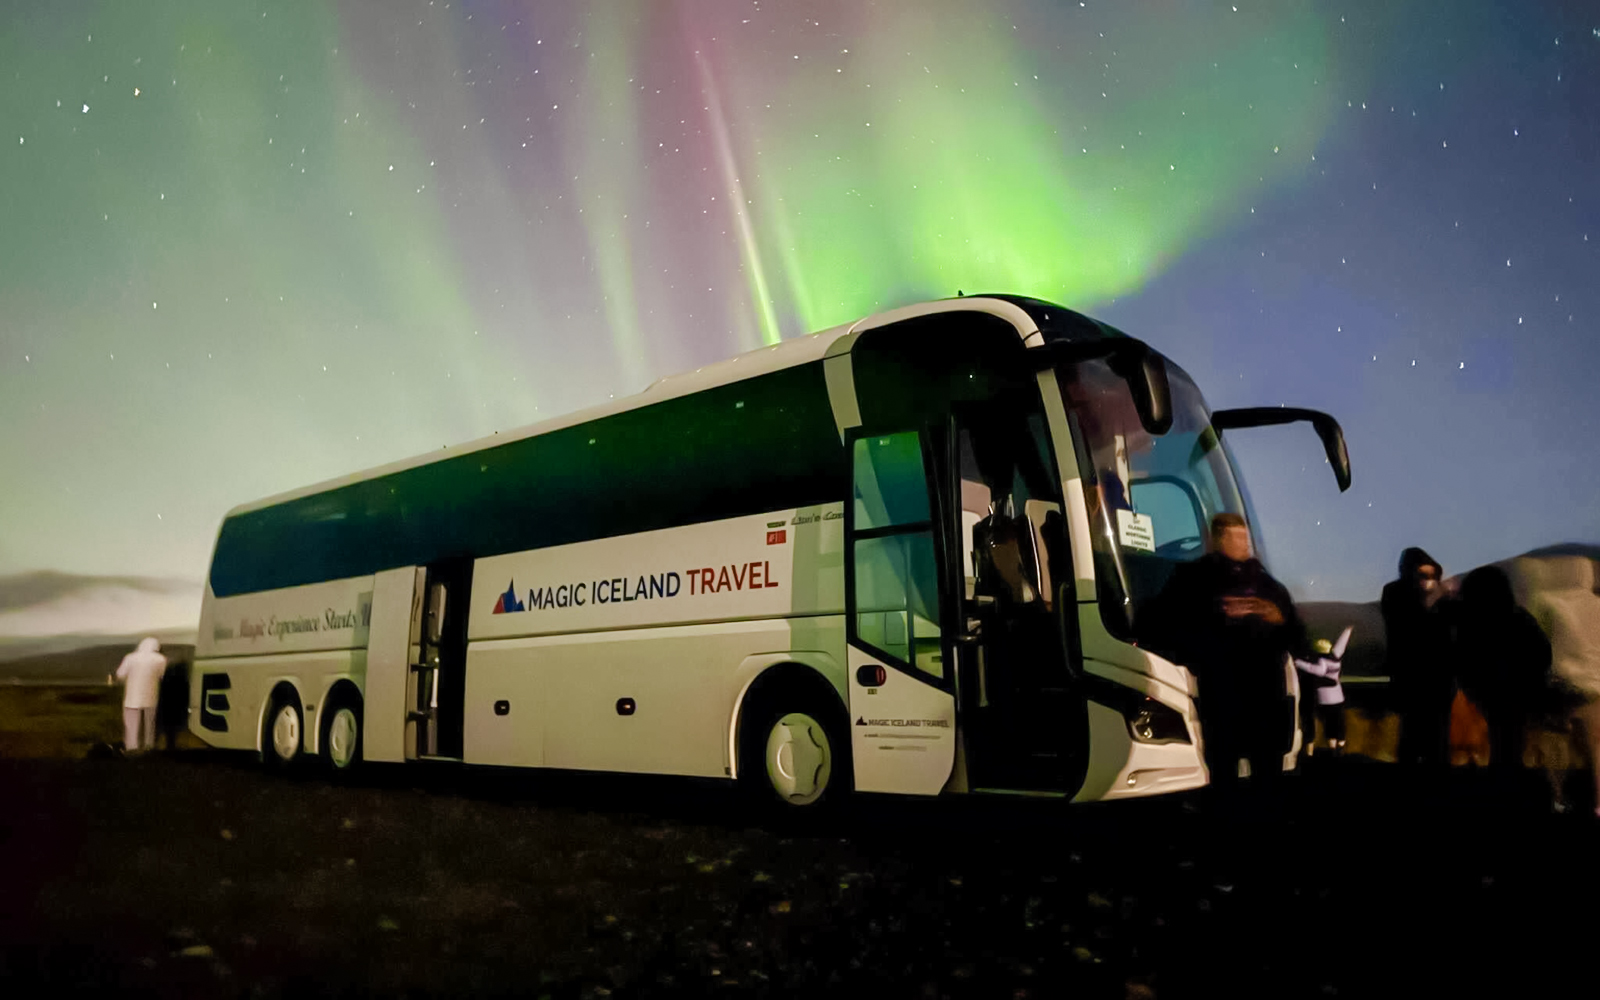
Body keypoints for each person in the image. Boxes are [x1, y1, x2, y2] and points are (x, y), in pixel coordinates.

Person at [1143, 513, 1309, 813]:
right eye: (1233, 537)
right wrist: (1210, 631)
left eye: (1243, 537)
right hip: (1222, 696)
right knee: (1224, 780)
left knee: (1266, 779)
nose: (1241, 543)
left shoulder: (1269, 587)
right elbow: (1159, 626)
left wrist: (1277, 618)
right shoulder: (1192, 580)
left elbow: (1298, 639)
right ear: (1216, 540)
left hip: (1266, 699)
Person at [1454, 566, 1552, 786]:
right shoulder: (1520, 618)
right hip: (1516, 694)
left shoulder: (1471, 623)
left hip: (1491, 694)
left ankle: (1501, 785)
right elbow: (1543, 653)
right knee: (1511, 743)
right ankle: (1508, 786)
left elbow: (1462, 657)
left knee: (1501, 742)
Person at [1382, 548, 1455, 767]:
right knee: (1411, 736)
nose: (1428, 582)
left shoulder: (1443, 598)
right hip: (1410, 677)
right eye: (1423, 576)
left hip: (1440, 679)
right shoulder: (1395, 594)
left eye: (1432, 576)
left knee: (1439, 738)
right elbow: (1403, 628)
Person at [1295, 628, 1352, 757]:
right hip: (1338, 697)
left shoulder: (1321, 661)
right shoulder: (1336, 658)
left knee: (1330, 724)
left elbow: (1317, 670)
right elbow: (1341, 646)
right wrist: (1348, 631)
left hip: (1325, 699)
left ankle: (1333, 750)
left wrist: (1299, 663)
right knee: (1339, 723)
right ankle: (1340, 747)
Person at [115, 637, 168, 754]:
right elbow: (162, 676)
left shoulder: (130, 657)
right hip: (151, 697)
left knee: (131, 725)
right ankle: (149, 747)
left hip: (132, 698)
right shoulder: (160, 659)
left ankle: (131, 748)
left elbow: (120, 674)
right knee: (150, 724)